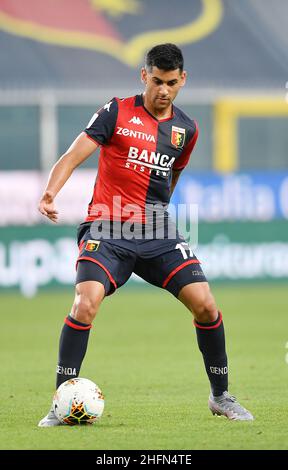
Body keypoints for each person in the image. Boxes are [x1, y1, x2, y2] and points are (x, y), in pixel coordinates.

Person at [38, 43, 253, 426]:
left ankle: (221, 396)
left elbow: (174, 173)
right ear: (144, 76)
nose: (163, 90)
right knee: (85, 303)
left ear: (182, 80)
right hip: (106, 226)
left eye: (171, 83)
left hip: (157, 228)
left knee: (205, 304)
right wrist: (51, 191)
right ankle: (61, 401)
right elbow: (73, 154)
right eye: (156, 81)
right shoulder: (116, 111)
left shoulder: (186, 129)